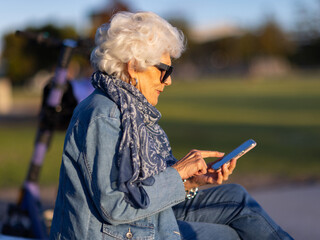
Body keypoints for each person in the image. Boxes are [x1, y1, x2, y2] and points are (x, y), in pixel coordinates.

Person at [50, 11, 293, 240]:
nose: (169, 81)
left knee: (236, 198)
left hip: (132, 222)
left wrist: (191, 181)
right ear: (134, 66)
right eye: (164, 70)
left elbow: (141, 187)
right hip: (115, 231)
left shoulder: (129, 108)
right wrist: (177, 175)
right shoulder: (106, 115)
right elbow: (115, 206)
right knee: (229, 236)